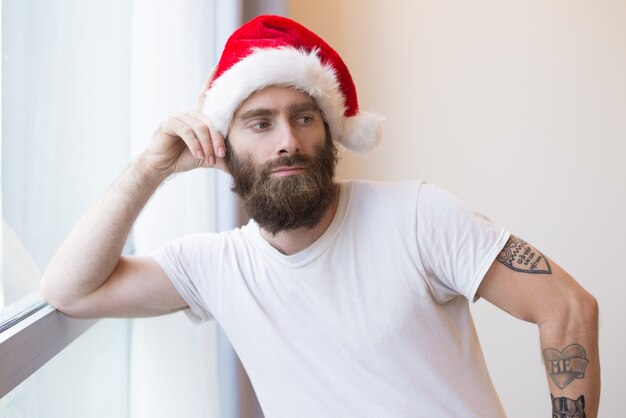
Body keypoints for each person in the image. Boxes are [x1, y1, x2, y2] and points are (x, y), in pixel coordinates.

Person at [39, 15, 599, 418]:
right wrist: (150, 168)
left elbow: (567, 305)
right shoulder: (213, 266)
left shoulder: (417, 216)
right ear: (222, 143)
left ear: (329, 129)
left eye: (303, 117)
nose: (287, 141)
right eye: (259, 123)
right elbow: (69, 290)